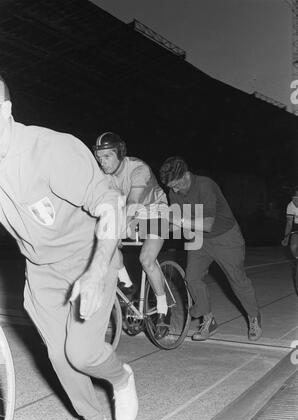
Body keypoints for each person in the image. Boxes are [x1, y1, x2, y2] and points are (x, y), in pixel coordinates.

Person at [0, 74, 138, 420]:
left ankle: (121, 378)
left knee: (83, 353)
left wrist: (97, 270)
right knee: (60, 356)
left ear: (6, 110)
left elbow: (109, 203)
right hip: (40, 270)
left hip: (88, 257)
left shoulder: (50, 150)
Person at [159, 157, 262, 342]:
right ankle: (208, 320)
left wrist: (180, 222)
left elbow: (207, 224)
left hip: (225, 237)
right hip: (199, 240)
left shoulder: (205, 185)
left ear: (186, 175)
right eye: (170, 187)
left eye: (176, 185)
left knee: (237, 280)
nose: (173, 190)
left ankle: (254, 318)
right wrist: (152, 223)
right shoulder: (173, 192)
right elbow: (177, 226)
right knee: (192, 278)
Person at [93, 132, 170, 337]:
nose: (102, 162)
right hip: (133, 215)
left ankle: (163, 309)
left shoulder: (138, 169)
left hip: (156, 212)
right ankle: (127, 284)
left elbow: (133, 203)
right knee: (100, 234)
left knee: (146, 260)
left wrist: (117, 232)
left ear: (119, 153)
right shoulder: (105, 176)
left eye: (107, 156)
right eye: (99, 158)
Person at [281, 186, 298, 258]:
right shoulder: (290, 206)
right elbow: (289, 223)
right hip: (297, 225)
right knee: (293, 247)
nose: (296, 201)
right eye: (294, 198)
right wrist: (286, 238)